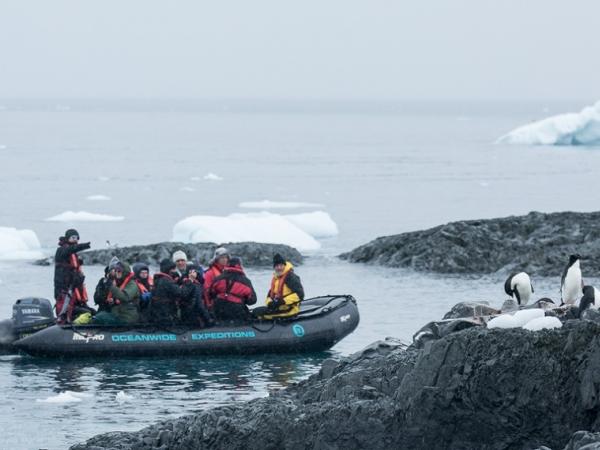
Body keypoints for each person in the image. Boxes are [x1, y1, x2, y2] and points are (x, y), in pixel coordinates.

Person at [53, 229, 92, 324]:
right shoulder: (61, 250)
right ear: (67, 238)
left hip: (73, 287)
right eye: (72, 238)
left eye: (76, 238)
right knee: (65, 308)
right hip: (63, 288)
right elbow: (70, 250)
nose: (75, 240)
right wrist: (84, 246)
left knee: (88, 311)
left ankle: (78, 321)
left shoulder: (73, 254)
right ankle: (65, 323)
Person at [257, 253, 304, 320]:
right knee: (256, 311)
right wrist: (270, 303)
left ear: (284, 265)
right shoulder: (276, 278)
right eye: (277, 266)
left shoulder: (290, 277)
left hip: (290, 309)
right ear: (274, 267)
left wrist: (281, 301)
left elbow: (300, 295)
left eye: (281, 265)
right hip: (279, 307)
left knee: (258, 314)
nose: (279, 268)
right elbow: (269, 295)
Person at [209, 257, 257, 323]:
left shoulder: (218, 278)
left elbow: (211, 293)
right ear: (240, 266)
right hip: (237, 311)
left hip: (219, 309)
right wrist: (243, 299)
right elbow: (252, 300)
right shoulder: (246, 281)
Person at [94, 258, 140, 325]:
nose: (116, 273)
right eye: (116, 271)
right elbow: (98, 298)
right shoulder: (117, 282)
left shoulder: (132, 284)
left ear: (124, 272)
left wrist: (111, 286)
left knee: (101, 317)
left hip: (127, 317)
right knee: (99, 316)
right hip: (119, 314)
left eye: (119, 271)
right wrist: (113, 300)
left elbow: (125, 296)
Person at [150, 259, 186, 325]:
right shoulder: (167, 281)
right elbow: (181, 293)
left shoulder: (158, 279)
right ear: (168, 270)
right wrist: (189, 283)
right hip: (167, 314)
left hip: (158, 313)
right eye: (173, 269)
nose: (174, 271)